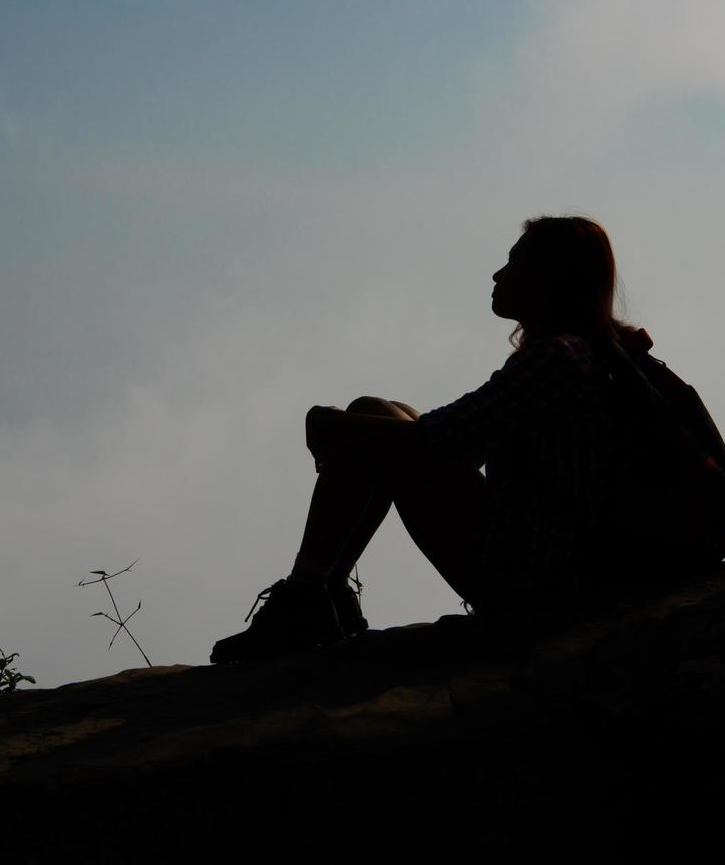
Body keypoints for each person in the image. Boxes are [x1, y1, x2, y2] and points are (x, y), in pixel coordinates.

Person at [210, 216, 652, 664]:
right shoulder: (592, 354)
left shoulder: (556, 360)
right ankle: (322, 592)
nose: (499, 275)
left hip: (533, 584)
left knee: (376, 433)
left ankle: (308, 595)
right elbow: (459, 440)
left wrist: (333, 427)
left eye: (514, 263)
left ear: (551, 279)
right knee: (375, 416)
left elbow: (441, 440)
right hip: (559, 571)